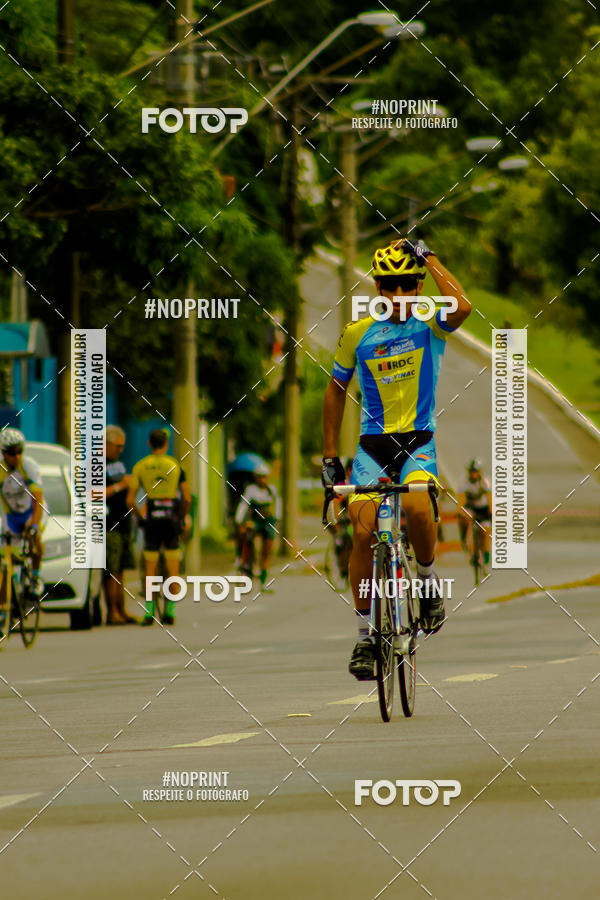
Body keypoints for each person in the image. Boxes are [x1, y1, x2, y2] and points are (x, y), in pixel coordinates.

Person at [322, 238, 471, 680]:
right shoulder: (358, 333)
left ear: (419, 285)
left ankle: (426, 586)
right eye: (389, 286)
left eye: (408, 285)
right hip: (372, 447)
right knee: (362, 529)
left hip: (418, 442)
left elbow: (462, 306)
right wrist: (329, 457)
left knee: (417, 506)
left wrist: (429, 255)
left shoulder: (431, 324)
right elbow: (335, 392)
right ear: (377, 288)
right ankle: (367, 636)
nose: (398, 296)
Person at [126, 429, 191, 626]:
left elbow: (130, 500)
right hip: (171, 515)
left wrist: (140, 518)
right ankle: (170, 611)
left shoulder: (140, 466)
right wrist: (180, 516)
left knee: (150, 566)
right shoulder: (175, 465)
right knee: (172, 565)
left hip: (152, 516)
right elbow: (186, 498)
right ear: (166, 445)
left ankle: (149, 612)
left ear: (149, 444)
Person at [0, 428, 44, 596]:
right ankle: (5, 606)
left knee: (35, 536)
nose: (17, 456)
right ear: (4, 453)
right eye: (12, 453)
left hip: (32, 510)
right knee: (5, 562)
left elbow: (37, 499)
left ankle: (34, 576)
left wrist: (33, 524)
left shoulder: (29, 466)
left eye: (20, 451)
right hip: (11, 516)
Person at [104, 425, 137, 624]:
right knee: (111, 569)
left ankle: (121, 609)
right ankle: (112, 612)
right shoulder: (96, 466)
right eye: (118, 446)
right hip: (109, 524)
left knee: (121, 569)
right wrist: (120, 486)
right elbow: (94, 494)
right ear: (106, 444)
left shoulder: (119, 464)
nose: (120, 450)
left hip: (124, 521)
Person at [234, 462, 280, 589]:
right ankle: (248, 566)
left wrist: (277, 519)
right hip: (255, 520)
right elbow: (243, 505)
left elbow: (278, 504)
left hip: (268, 520)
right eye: (259, 476)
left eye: (264, 476)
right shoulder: (251, 490)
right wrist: (239, 520)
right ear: (256, 477)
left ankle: (263, 580)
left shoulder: (271, 490)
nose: (262, 479)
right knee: (248, 541)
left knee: (267, 550)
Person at [458, 458, 492, 568]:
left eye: (476, 471)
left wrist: (492, 512)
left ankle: (486, 554)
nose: (474, 474)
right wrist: (460, 511)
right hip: (470, 507)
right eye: (471, 471)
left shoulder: (485, 482)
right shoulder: (464, 481)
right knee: (465, 517)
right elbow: (461, 498)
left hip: (483, 509)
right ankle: (465, 540)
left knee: (485, 531)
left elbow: (490, 498)